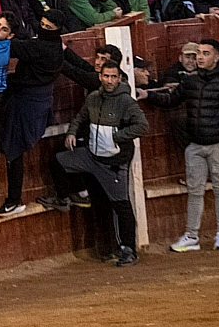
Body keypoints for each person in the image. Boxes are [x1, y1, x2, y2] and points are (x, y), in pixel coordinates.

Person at [36, 60, 147, 266]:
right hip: (91, 156)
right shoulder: (94, 98)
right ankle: (66, 197)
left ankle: (129, 250)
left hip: (112, 164)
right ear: (100, 77)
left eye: (113, 77)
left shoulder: (126, 102)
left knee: (121, 205)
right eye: (106, 76)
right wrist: (71, 133)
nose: (109, 81)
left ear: (119, 79)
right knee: (59, 161)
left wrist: (118, 135)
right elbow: (80, 117)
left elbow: (142, 126)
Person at [141, 39, 219, 252]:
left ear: (216, 57)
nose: (199, 57)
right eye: (198, 53)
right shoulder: (190, 81)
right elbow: (171, 100)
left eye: (205, 53)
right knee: (195, 192)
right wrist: (148, 94)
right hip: (196, 145)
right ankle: (191, 236)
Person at [0, 9, 66, 214]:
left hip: (26, 104)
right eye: (42, 24)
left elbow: (14, 47)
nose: (42, 29)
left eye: (47, 28)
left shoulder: (40, 47)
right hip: (37, 102)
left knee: (14, 150)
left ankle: (14, 199)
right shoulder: (56, 46)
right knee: (15, 150)